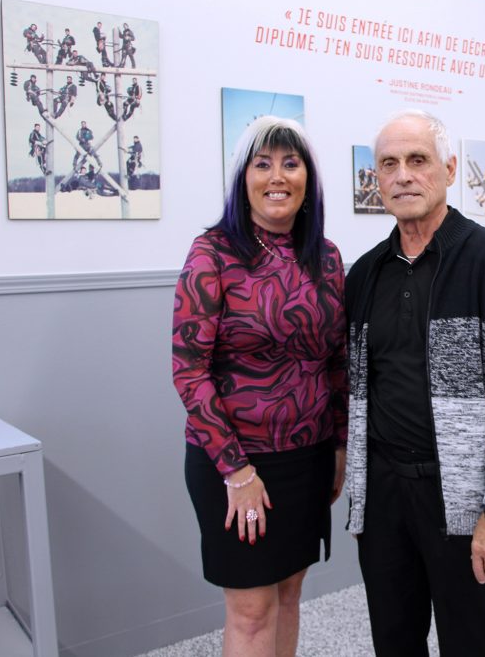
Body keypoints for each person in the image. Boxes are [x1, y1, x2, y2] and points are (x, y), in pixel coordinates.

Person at [344, 109, 485, 656]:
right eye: (389, 164)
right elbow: (356, 393)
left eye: (418, 160)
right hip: (384, 494)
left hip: (458, 494)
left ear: (449, 169)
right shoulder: (364, 275)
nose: (403, 175)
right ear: (376, 178)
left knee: (468, 642)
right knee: (393, 638)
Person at [173, 116, 347, 657]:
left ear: (308, 179)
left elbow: (336, 361)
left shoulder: (327, 257)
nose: (278, 176)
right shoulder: (213, 253)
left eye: (291, 164)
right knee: (251, 612)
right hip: (236, 462)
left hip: (308, 457)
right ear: (242, 178)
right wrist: (237, 471)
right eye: (263, 163)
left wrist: (340, 446)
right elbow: (189, 370)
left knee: (291, 594)